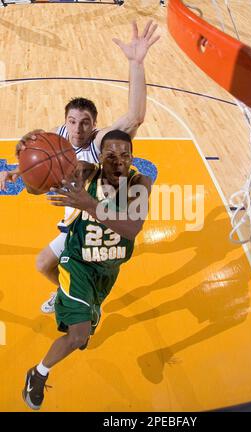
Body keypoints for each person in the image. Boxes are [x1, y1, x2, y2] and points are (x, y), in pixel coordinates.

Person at [0, 20, 159, 313]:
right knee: (45, 266)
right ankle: (69, 293)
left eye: (85, 122)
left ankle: (86, 302)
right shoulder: (57, 137)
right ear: (65, 121)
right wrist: (16, 171)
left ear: (94, 124)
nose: (78, 128)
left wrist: (136, 63)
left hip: (94, 218)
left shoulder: (99, 142)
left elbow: (135, 116)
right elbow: (41, 165)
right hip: (74, 214)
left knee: (48, 264)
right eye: (73, 121)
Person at [22, 129, 151, 411]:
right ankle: (38, 374)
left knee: (85, 329)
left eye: (125, 155)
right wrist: (23, 168)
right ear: (99, 156)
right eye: (110, 156)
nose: (118, 162)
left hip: (107, 271)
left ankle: (69, 305)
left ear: (132, 156)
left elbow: (132, 228)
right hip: (77, 263)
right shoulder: (84, 173)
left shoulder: (140, 183)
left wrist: (90, 205)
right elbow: (38, 185)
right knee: (79, 336)